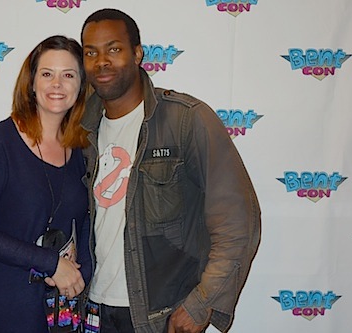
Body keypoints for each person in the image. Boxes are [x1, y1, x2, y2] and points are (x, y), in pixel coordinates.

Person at [80, 8, 261, 333]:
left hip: (160, 318)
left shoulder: (186, 121)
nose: (101, 61)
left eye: (114, 49)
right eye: (91, 52)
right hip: (93, 312)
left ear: (137, 54)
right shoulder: (80, 133)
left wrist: (201, 303)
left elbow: (237, 223)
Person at [0, 35, 91, 333]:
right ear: (31, 83)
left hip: (57, 310)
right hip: (0, 305)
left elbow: (84, 223)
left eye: (68, 75)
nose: (57, 84)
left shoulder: (82, 149)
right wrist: (51, 263)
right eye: (47, 74)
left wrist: (78, 273)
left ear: (81, 86)